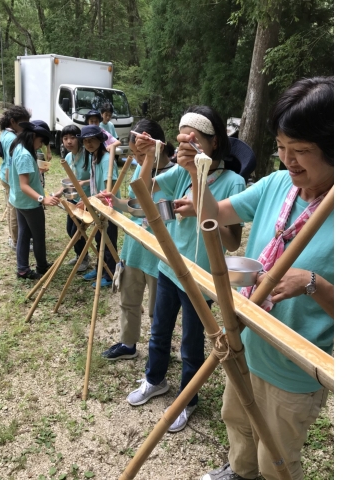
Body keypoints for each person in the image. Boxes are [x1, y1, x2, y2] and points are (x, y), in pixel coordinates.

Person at [189, 77, 334, 480]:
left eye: (302, 151)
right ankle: (239, 472)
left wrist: (313, 283)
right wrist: (196, 173)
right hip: (247, 341)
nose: (289, 161)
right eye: (282, 148)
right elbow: (215, 213)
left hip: (293, 367)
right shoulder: (276, 185)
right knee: (237, 421)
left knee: (279, 455)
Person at [126, 106, 246, 433]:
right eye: (182, 139)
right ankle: (154, 379)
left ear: (215, 142)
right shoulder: (180, 173)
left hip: (203, 276)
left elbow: (233, 242)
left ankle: (187, 399)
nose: (186, 145)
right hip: (171, 267)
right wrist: (149, 157)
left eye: (195, 139)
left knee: (192, 343)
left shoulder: (233, 182)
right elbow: (145, 194)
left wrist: (202, 213)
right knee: (160, 329)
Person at [94, 119, 176, 360]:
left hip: (159, 252)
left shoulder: (177, 174)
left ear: (156, 146)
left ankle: (159, 348)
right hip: (134, 248)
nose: (137, 159)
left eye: (141, 153)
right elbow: (133, 206)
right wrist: (113, 202)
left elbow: (173, 214)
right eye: (134, 153)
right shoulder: (141, 169)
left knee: (157, 310)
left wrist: (151, 211)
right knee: (128, 300)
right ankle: (127, 344)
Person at [8, 120, 60, 279]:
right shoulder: (24, 154)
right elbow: (24, 185)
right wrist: (42, 199)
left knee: (24, 234)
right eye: (41, 141)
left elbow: (21, 173)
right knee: (38, 236)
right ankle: (42, 266)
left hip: (19, 201)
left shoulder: (20, 148)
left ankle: (22, 269)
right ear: (33, 136)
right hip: (30, 203)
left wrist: (36, 169)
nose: (41, 145)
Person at [76, 125, 120, 288]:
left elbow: (109, 190)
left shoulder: (107, 160)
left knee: (108, 242)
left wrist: (89, 200)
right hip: (98, 206)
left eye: (92, 140)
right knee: (100, 239)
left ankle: (109, 276)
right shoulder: (94, 157)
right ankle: (100, 268)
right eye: (85, 141)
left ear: (100, 140)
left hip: (109, 208)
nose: (89, 144)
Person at [0, 106, 31, 250]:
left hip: (6, 173)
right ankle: (16, 240)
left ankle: (14, 237)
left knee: (11, 206)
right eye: (23, 123)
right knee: (13, 208)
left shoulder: (6, 134)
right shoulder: (12, 138)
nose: (26, 127)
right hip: (10, 175)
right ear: (13, 121)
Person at [61, 125, 91, 272]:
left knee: (76, 231)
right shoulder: (68, 157)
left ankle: (84, 258)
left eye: (72, 137)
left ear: (79, 139)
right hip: (73, 198)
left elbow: (96, 179)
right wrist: (59, 193)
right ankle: (80, 254)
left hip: (86, 199)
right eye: (65, 138)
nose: (69, 141)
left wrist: (83, 183)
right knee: (69, 229)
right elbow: (69, 180)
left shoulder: (88, 155)